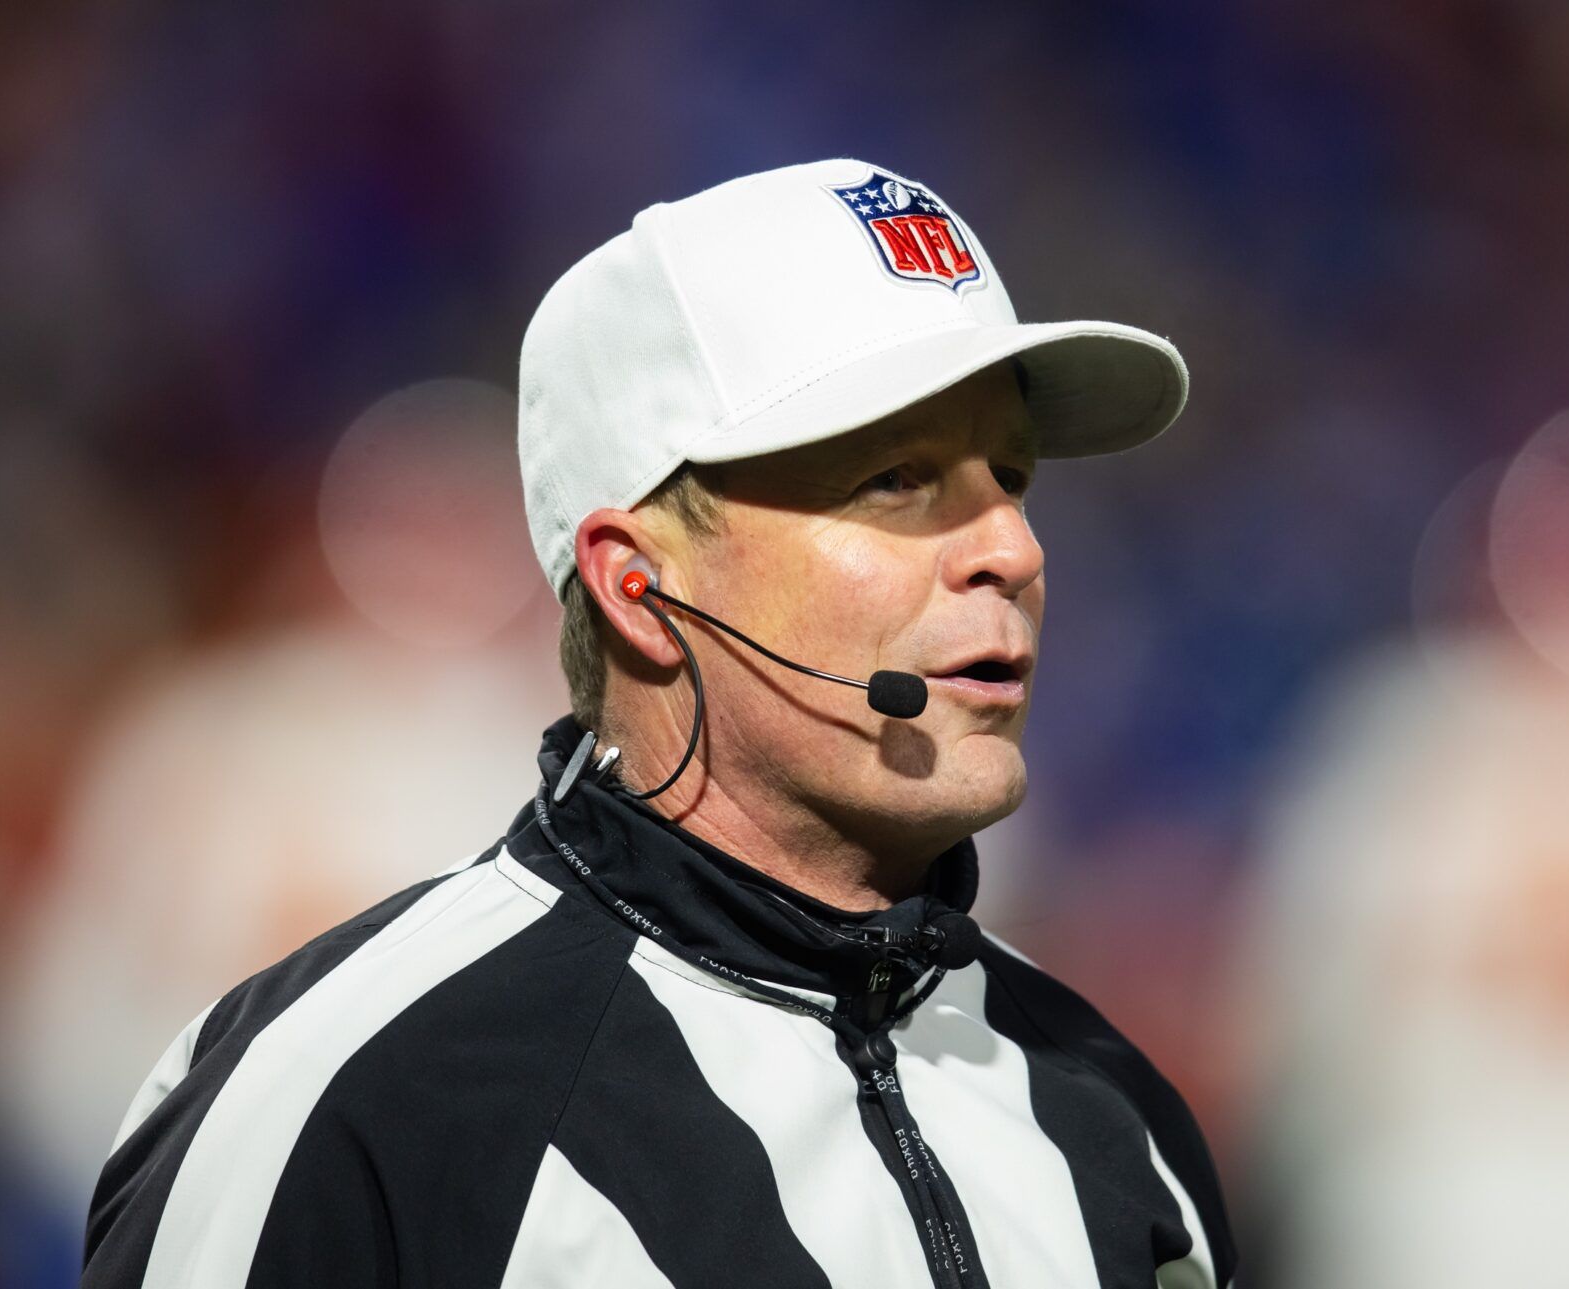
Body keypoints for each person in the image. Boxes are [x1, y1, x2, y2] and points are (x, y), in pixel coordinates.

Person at [81, 159, 1237, 1289]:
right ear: (640, 585)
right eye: (896, 478)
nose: (1013, 550)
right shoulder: (355, 1099)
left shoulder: (1112, 1112)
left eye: (1012, 475)